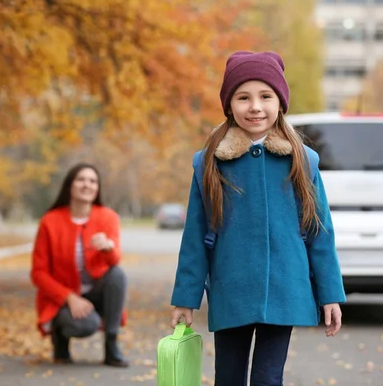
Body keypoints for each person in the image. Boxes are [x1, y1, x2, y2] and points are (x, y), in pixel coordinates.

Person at [170, 51, 346, 385]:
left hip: (284, 290)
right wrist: (184, 298)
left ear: (280, 102)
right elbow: (194, 237)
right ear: (229, 104)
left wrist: (330, 294)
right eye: (243, 97)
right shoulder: (208, 163)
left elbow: (319, 232)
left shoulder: (302, 161)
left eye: (266, 96)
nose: (255, 107)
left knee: (268, 379)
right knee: (229, 378)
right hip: (230, 290)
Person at [30, 163, 129, 367]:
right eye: (81, 179)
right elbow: (38, 273)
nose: (87, 185)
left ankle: (111, 346)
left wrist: (108, 248)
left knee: (117, 275)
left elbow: (115, 261)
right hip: (62, 297)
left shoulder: (108, 217)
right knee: (87, 325)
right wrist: (69, 298)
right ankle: (59, 336)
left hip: (96, 292)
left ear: (97, 188)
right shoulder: (50, 221)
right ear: (70, 185)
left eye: (93, 181)